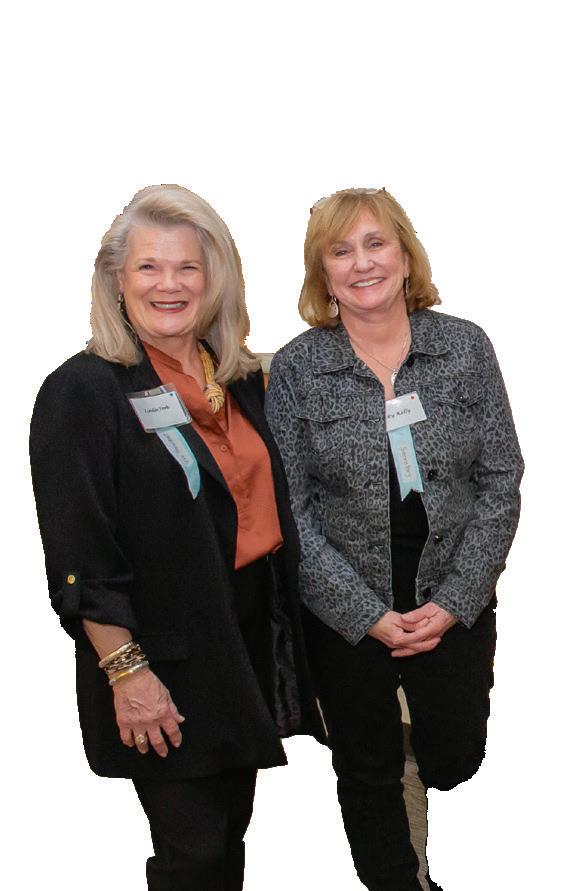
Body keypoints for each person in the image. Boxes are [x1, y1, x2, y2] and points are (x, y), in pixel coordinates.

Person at [29, 184, 323, 890]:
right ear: (116, 281)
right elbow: (80, 554)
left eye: (188, 267)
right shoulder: (84, 391)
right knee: (193, 854)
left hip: (244, 638)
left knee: (227, 838)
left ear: (214, 278)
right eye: (149, 267)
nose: (170, 284)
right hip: (158, 656)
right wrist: (128, 673)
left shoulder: (241, 379)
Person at [266, 188, 523, 891]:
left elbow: (501, 478)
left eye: (375, 243)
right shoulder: (297, 369)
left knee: (453, 757)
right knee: (368, 766)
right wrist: (364, 615)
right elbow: (291, 510)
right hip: (343, 605)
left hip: (450, 591)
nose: (362, 263)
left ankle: (416, 747)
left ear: (406, 256)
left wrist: (457, 600)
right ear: (322, 274)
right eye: (340, 250)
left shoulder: (464, 348)